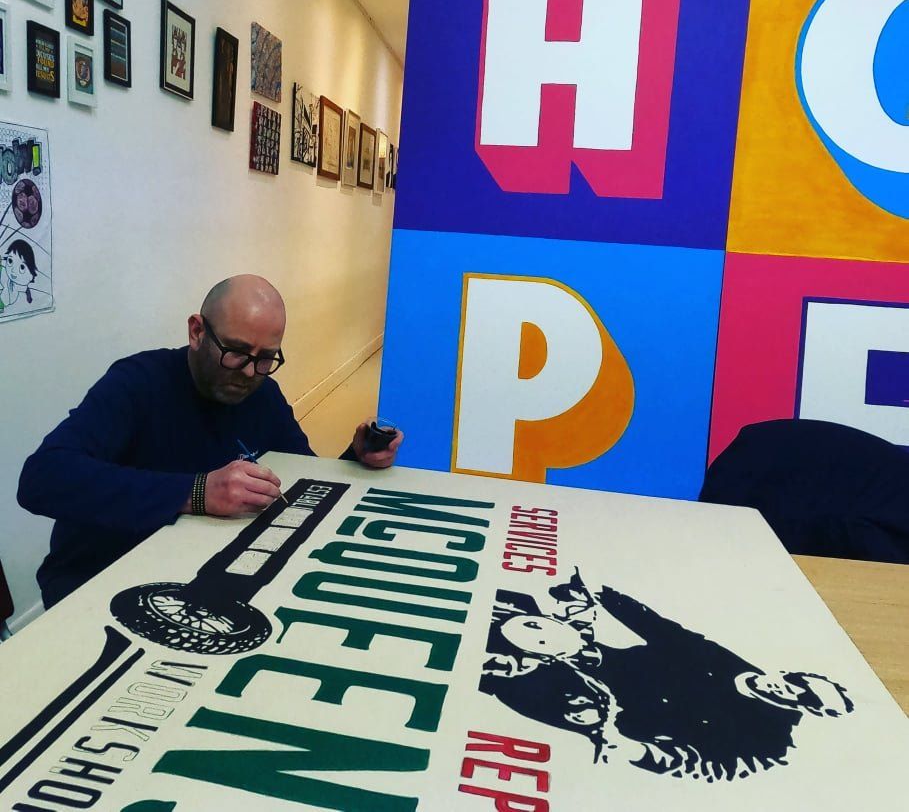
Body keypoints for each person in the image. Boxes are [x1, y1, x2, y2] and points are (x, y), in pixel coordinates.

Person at [18, 275, 403, 609]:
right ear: (197, 331)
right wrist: (196, 492)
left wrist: (356, 456)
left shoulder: (262, 395)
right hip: (101, 580)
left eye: (267, 358)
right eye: (236, 353)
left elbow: (300, 483)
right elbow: (41, 479)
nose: (250, 372)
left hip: (203, 579)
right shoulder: (137, 384)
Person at [480, 570, 852, 783]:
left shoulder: (769, 739)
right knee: (508, 610)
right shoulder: (736, 664)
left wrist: (636, 750)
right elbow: (670, 633)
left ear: (810, 711)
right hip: (590, 656)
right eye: (798, 681)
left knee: (492, 679)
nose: (787, 690)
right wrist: (605, 597)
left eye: (803, 698)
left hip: (593, 708)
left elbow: (709, 765)